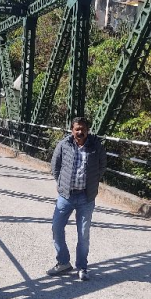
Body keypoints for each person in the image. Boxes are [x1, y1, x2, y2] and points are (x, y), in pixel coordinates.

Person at [47, 116, 107, 281]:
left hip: (86, 197)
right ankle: (63, 262)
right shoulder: (64, 144)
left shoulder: (96, 146)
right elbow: (55, 166)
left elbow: (102, 166)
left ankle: (82, 267)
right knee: (56, 228)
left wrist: (93, 183)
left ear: (87, 130)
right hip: (66, 195)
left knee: (83, 234)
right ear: (72, 130)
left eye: (83, 129)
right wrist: (62, 184)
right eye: (77, 129)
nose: (80, 132)